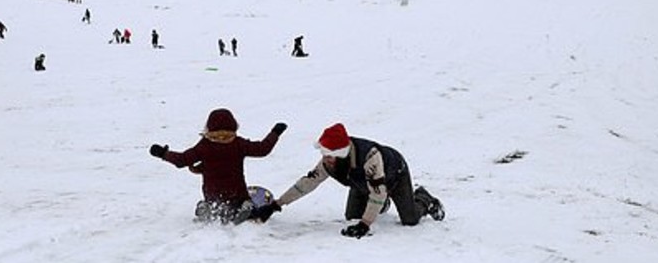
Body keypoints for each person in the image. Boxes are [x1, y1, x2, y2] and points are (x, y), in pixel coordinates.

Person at [251, 123, 445, 238]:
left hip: (394, 175)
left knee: (409, 220)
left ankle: (423, 199)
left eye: (329, 154)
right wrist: (276, 205)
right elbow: (307, 183)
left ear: (341, 153)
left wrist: (366, 224)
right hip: (363, 183)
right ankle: (381, 205)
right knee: (352, 215)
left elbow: (378, 192)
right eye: (323, 153)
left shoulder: (370, 156)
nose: (325, 158)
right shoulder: (329, 161)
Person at [149, 109, 287, 224]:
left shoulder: (205, 146)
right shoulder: (238, 144)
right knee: (243, 202)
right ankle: (245, 210)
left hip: (212, 193)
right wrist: (275, 133)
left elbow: (182, 160)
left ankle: (209, 208)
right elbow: (262, 149)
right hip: (237, 193)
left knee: (215, 203)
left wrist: (163, 153)